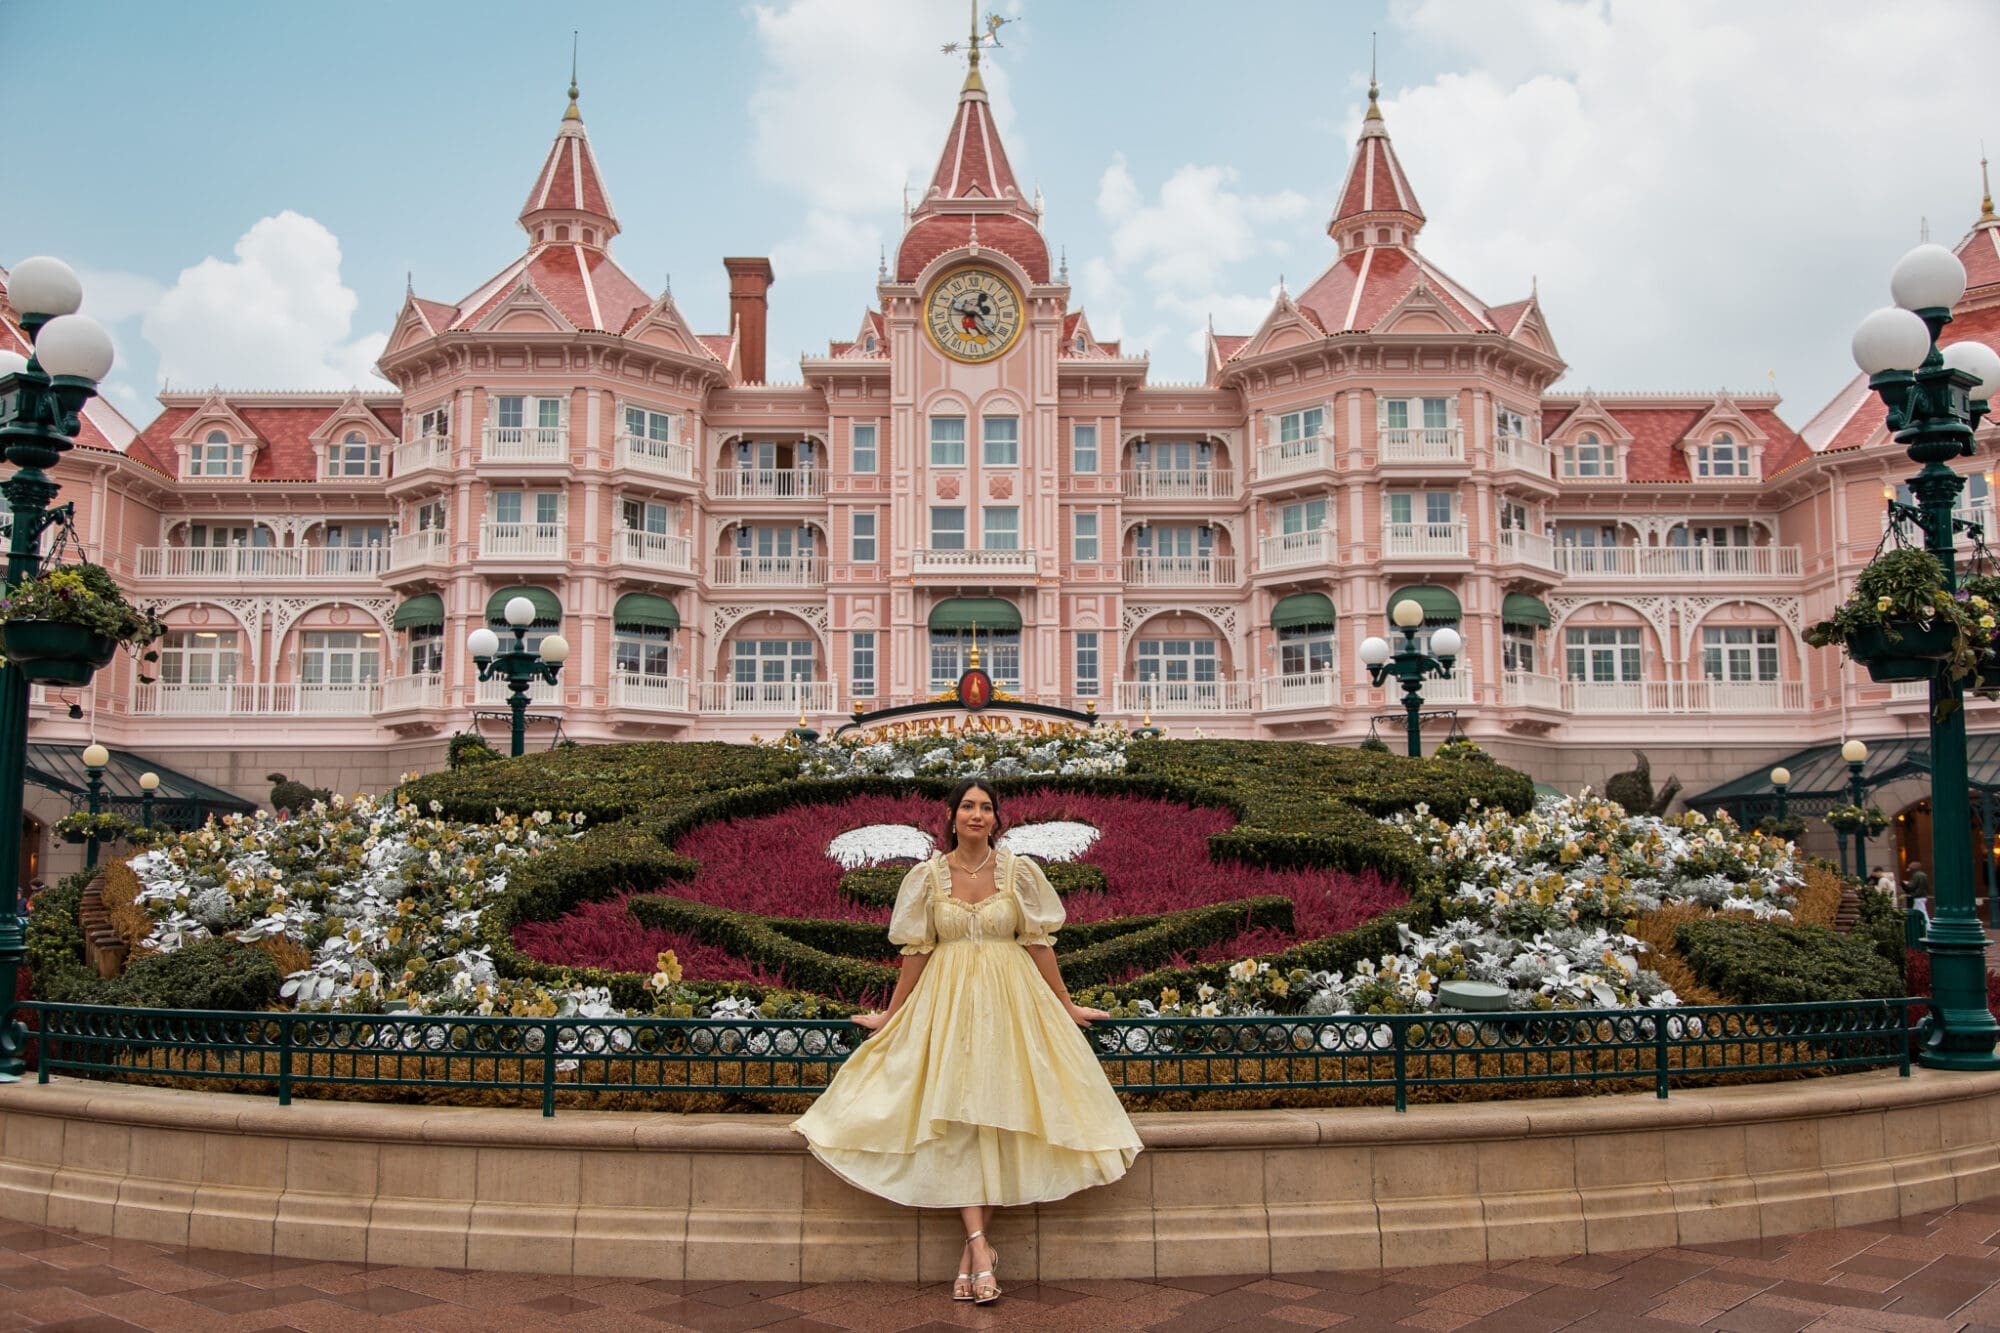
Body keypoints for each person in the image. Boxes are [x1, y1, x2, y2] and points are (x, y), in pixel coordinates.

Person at [791, 776, 1142, 1305]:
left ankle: (974, 1254)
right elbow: (916, 952)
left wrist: (1066, 1006)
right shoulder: (927, 876)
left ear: (997, 819)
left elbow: (1038, 943)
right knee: (958, 1122)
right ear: (952, 816)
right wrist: (891, 1015)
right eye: (968, 806)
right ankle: (980, 1248)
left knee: (995, 1117)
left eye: (986, 807)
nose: (977, 815)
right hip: (946, 1005)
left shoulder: (1020, 873)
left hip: (1011, 1004)